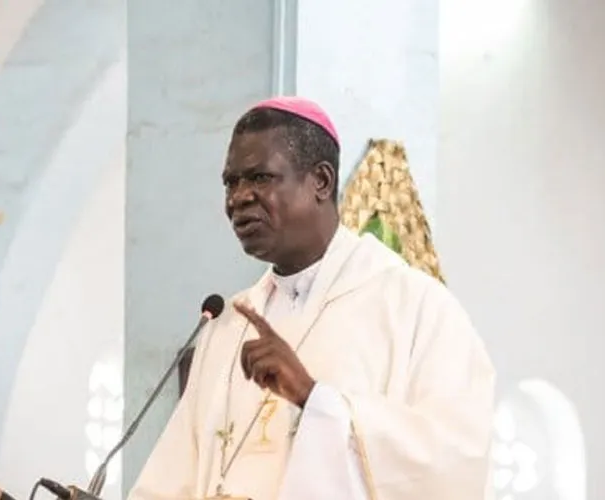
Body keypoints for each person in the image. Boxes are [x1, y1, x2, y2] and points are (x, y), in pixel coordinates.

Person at [128, 97, 496, 500]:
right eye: (231, 182)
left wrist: (313, 398)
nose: (238, 198)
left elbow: (457, 462)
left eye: (260, 178)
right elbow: (171, 479)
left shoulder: (416, 308)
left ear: (321, 180)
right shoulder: (227, 326)